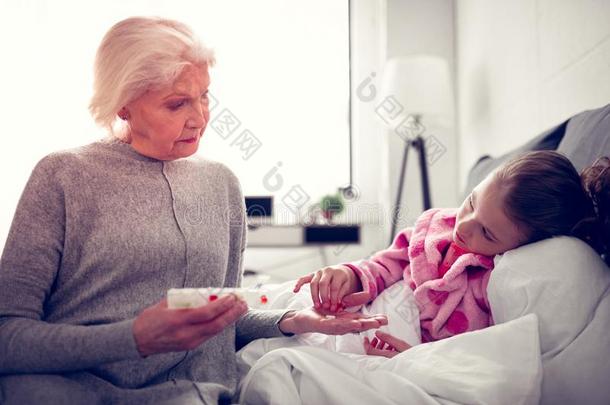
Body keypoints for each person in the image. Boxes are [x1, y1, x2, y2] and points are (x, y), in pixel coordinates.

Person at [0, 16, 387, 404]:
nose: (200, 118)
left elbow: (215, 321)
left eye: (204, 96)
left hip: (195, 394)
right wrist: (134, 338)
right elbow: (7, 336)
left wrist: (288, 320)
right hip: (69, 390)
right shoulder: (64, 176)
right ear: (122, 106)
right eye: (176, 103)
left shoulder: (221, 184)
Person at [295, 150, 610, 358]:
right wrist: (348, 276)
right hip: (369, 311)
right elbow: (386, 263)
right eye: (472, 202)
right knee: (297, 323)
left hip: (405, 349)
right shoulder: (436, 226)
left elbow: (472, 355)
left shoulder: (493, 284)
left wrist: (413, 359)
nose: (465, 226)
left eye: (487, 233)